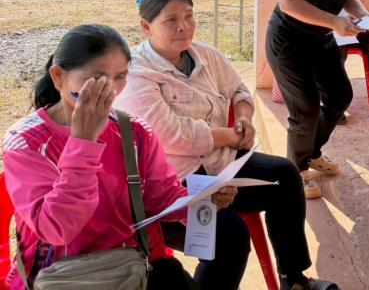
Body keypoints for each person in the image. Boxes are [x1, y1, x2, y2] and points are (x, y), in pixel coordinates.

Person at [116, 0, 338, 290]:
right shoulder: (137, 73)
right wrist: (232, 136)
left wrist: (244, 118)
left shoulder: (205, 55)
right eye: (171, 20)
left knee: (285, 175)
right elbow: (172, 134)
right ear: (146, 27)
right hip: (172, 187)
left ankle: (294, 280)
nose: (184, 26)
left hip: (220, 166)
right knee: (229, 236)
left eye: (189, 16)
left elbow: (238, 90)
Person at [3, 25, 217, 290]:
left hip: (132, 268)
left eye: (120, 77)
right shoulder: (27, 142)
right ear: (58, 77)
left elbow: (159, 194)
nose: (111, 89)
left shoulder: (133, 131)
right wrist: (84, 142)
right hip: (62, 277)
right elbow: (57, 228)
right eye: (97, 78)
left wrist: (201, 199)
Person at [266, 0, 369, 200]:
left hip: (320, 39)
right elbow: (290, 2)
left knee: (340, 96)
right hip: (289, 41)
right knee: (305, 108)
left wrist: (364, 14)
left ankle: (311, 152)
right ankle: (295, 170)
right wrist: (334, 22)